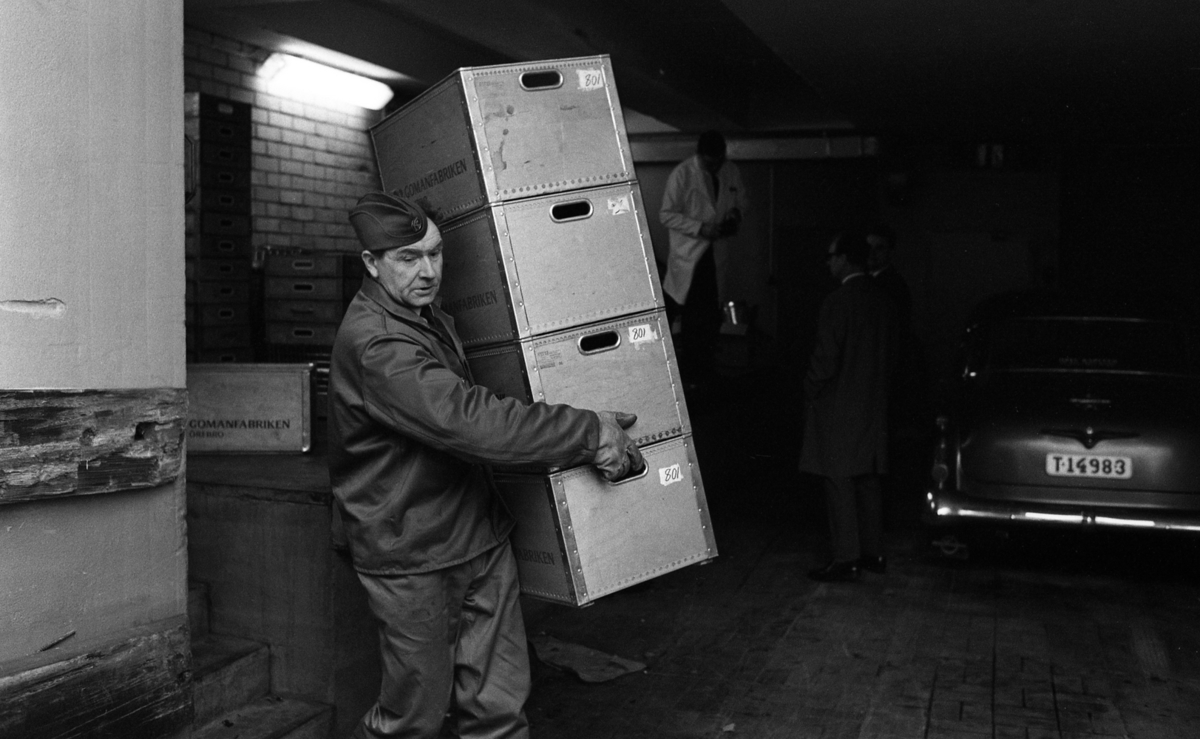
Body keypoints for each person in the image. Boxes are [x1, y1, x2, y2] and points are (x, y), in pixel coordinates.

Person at [328, 192, 645, 739]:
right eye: (408, 258)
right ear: (371, 263)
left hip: (477, 536)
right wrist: (588, 432)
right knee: (412, 721)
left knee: (498, 710)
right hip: (413, 554)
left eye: (435, 253)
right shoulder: (377, 343)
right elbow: (470, 423)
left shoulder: (425, 317)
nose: (428, 271)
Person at [799, 231, 899, 583]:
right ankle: (873, 552)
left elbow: (826, 359)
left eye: (831, 256)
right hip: (874, 402)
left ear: (844, 259)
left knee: (838, 477)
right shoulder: (882, 299)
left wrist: (809, 388)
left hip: (839, 404)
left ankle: (846, 558)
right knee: (867, 478)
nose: (828, 263)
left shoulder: (838, 301)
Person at [659, 130, 747, 384]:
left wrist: (735, 214)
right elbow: (666, 214)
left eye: (718, 162)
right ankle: (690, 374)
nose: (715, 167)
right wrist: (700, 228)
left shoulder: (730, 170)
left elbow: (741, 200)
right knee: (692, 317)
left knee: (710, 316)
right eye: (710, 163)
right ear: (699, 155)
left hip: (715, 252)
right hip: (689, 256)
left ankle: (706, 371)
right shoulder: (682, 174)